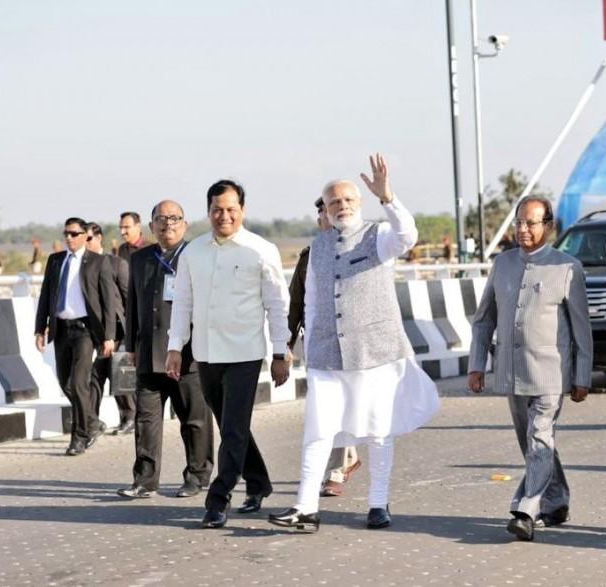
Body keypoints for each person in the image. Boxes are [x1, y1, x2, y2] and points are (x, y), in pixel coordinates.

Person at [268, 153, 440, 532]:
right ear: (325, 211)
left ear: (358, 202)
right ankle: (305, 507)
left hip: (376, 352)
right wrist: (307, 348)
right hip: (327, 355)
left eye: (347, 200)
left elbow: (408, 236)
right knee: (317, 431)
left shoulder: (379, 236)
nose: (341, 206)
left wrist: (388, 197)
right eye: (333, 202)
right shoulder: (317, 249)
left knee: (379, 431)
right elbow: (310, 302)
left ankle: (378, 504)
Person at [466, 196, 592, 542]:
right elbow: (484, 320)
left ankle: (526, 509)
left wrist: (582, 376)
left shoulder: (567, 268)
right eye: (519, 222)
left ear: (548, 226)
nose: (523, 229)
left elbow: (582, 328)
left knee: (539, 438)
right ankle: (558, 499)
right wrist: (477, 364)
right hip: (510, 371)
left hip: (550, 374)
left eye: (531, 223)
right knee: (535, 443)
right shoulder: (502, 264)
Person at [166, 179, 290, 529]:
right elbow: (183, 303)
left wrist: (280, 352)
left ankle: (218, 499)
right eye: (217, 209)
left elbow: (277, 305)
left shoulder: (261, 249)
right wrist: (175, 347)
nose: (224, 216)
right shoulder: (193, 252)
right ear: (208, 212)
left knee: (233, 430)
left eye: (231, 209)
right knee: (231, 425)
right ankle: (259, 482)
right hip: (206, 353)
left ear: (242, 210)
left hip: (245, 352)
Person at [117, 200, 214, 499]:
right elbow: (132, 304)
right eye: (161, 219)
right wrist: (131, 346)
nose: (167, 224)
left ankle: (197, 475)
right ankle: (145, 480)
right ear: (152, 226)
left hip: (188, 355)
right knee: (146, 421)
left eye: (174, 218)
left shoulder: (199, 255)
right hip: (148, 354)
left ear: (185, 224)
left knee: (194, 419)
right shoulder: (141, 258)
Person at [287, 196, 362, 498]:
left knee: (345, 406)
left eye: (328, 208)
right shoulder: (309, 255)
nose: (323, 214)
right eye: (319, 210)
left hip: (353, 344)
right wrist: (286, 345)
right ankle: (345, 459)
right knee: (326, 410)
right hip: (318, 344)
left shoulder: (359, 252)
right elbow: (295, 302)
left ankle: (336, 469)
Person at [35, 218, 119, 456]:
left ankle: (79, 437)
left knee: (78, 383)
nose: (69, 238)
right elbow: (45, 296)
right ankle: (92, 422)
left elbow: (108, 302)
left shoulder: (98, 262)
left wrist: (109, 336)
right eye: (66, 234)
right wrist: (40, 328)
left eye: (74, 234)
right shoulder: (55, 261)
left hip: (85, 331)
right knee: (65, 382)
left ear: (85, 236)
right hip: (61, 329)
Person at [84, 222, 136, 435]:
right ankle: (92, 421)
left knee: (120, 372)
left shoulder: (115, 263)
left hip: (119, 330)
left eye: (88, 238)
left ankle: (129, 417)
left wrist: (131, 329)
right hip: (96, 331)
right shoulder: (81, 266)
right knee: (96, 376)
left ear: (99, 238)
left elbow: (128, 298)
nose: (84, 243)